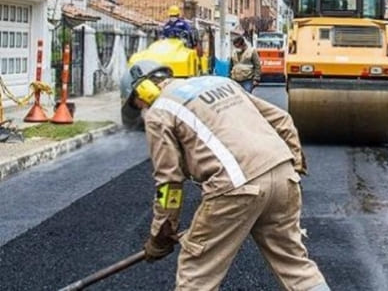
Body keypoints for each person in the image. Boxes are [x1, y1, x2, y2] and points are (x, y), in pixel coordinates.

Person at [119, 60, 330, 291]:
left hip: (236, 186)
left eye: (137, 104)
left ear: (144, 90)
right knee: (294, 265)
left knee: (196, 272)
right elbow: (283, 120)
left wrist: (160, 235)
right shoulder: (220, 82)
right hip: (283, 175)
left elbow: (169, 183)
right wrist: (294, 167)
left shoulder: (159, 111)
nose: (141, 110)